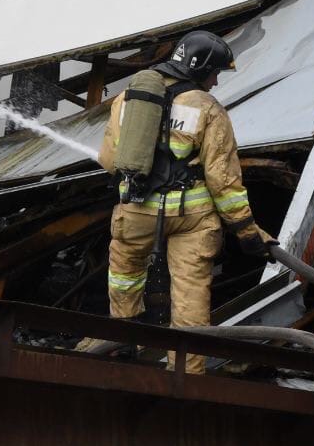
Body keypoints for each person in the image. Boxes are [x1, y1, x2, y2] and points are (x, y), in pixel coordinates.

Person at [95, 29, 274, 373]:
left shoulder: (128, 99)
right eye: (215, 73)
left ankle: (122, 346)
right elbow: (224, 181)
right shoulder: (207, 108)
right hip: (192, 219)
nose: (216, 82)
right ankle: (186, 375)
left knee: (125, 278)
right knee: (190, 297)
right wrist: (246, 231)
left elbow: (109, 159)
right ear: (200, 69)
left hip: (136, 211)